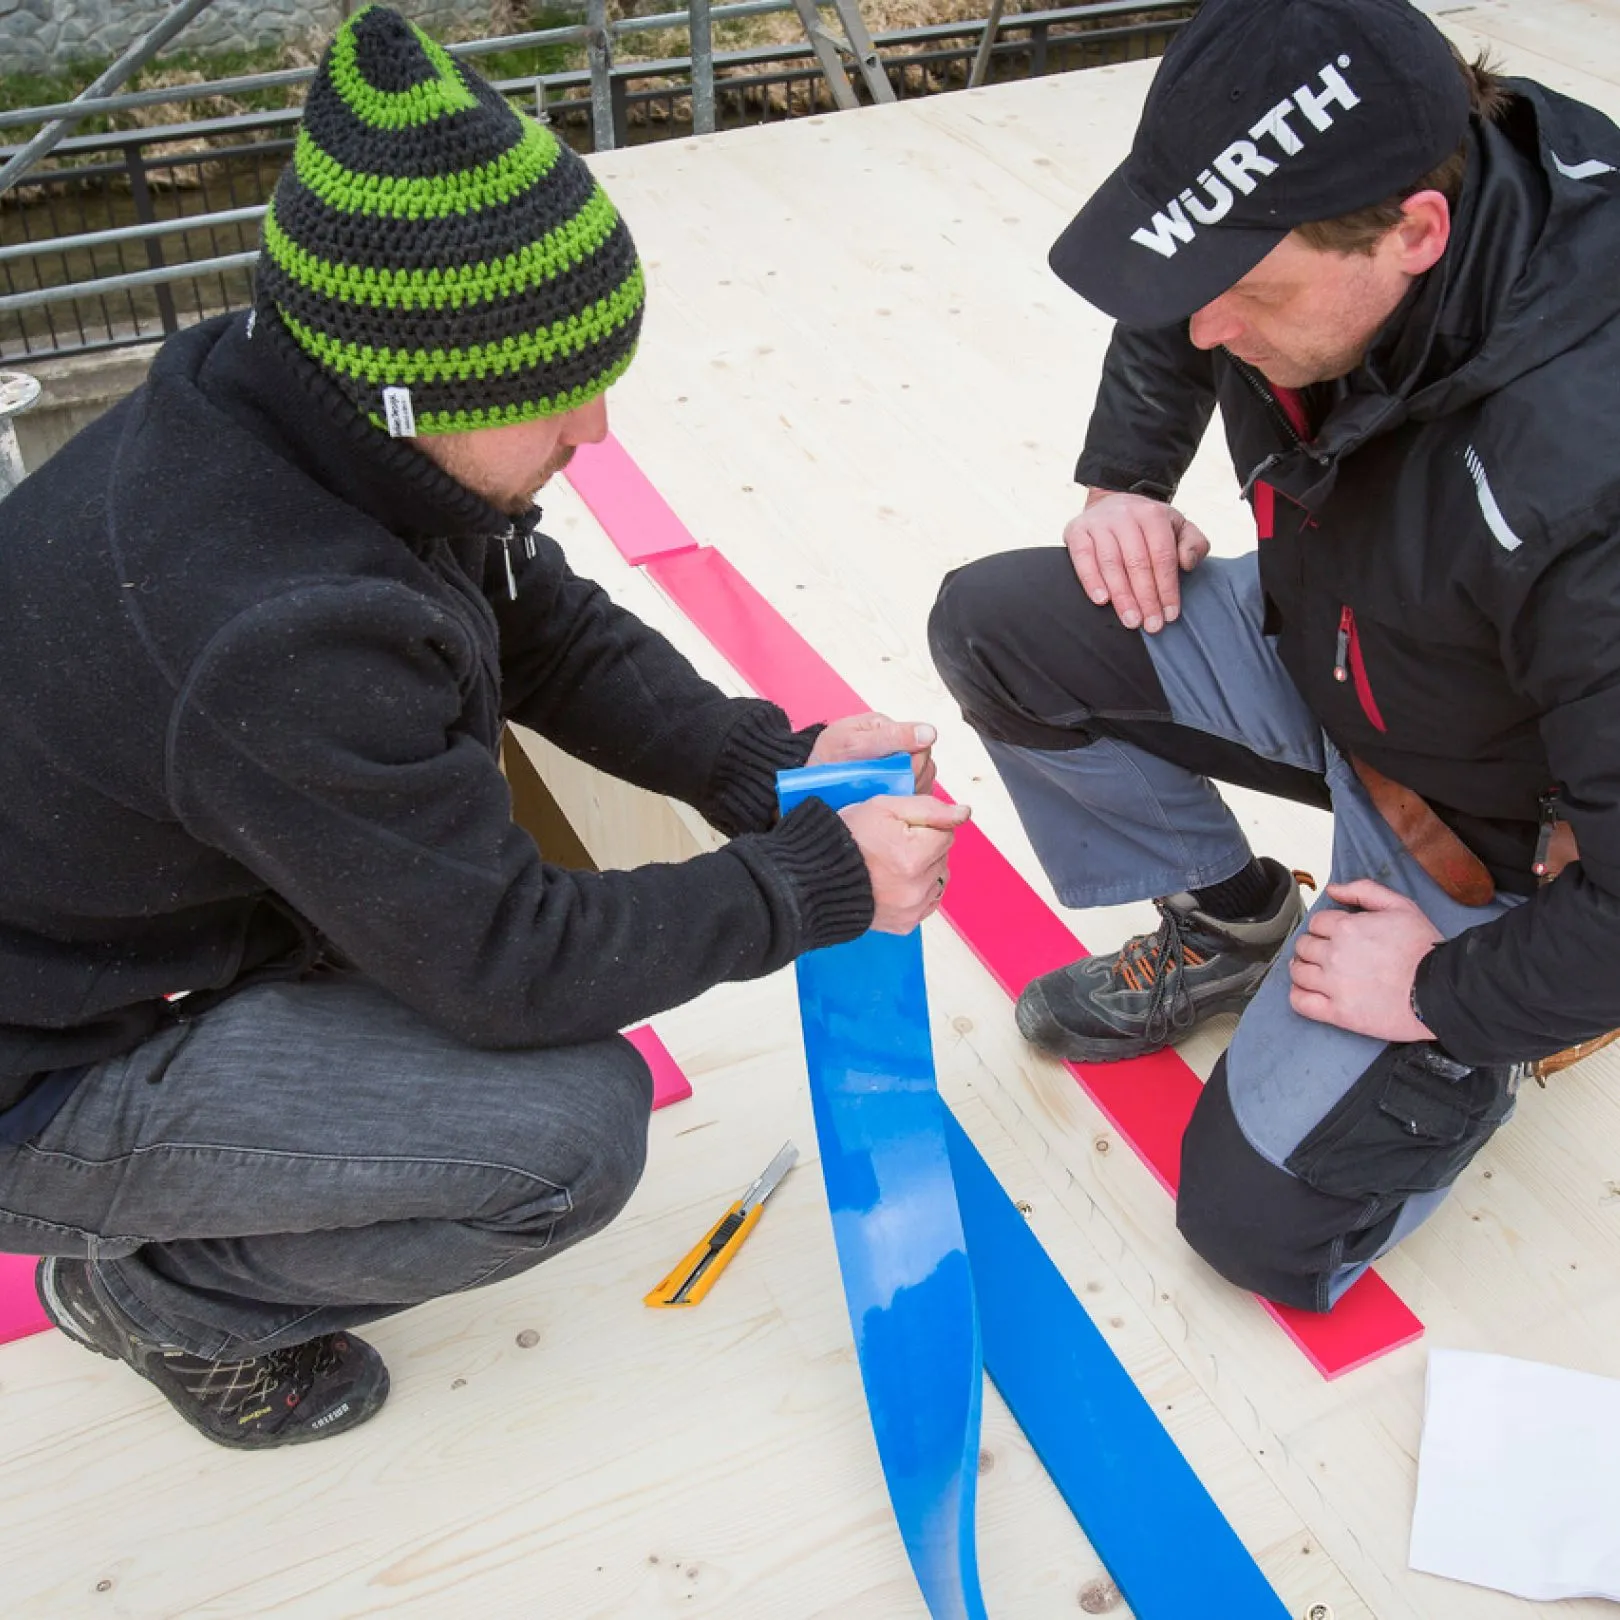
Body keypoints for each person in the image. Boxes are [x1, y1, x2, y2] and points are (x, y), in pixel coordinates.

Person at [0, 4, 966, 1450]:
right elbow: (508, 971)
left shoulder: (309, 411)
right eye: (556, 396)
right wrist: (815, 884)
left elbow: (540, 620)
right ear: (408, 391)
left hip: (117, 928)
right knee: (564, 1137)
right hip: (38, 1076)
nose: (594, 431)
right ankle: (168, 1306)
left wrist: (759, 767)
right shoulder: (280, 629)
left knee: (451, 956)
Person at [929, 0, 1620, 1313]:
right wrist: (1123, 475)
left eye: (1249, 293)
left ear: (1416, 232)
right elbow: (1179, 286)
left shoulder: (1586, 480)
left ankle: (1509, 1035)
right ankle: (1236, 926)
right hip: (1350, 641)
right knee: (996, 627)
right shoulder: (1371, 181)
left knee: (1261, 1230)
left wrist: (1445, 994)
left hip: (1488, 839)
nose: (1201, 329)